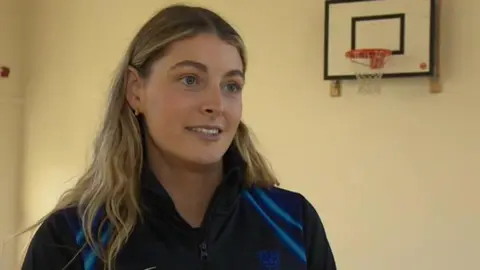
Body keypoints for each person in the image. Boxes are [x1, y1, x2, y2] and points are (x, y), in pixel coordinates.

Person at [21, 4, 336, 270]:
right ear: (136, 90)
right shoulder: (71, 240)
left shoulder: (293, 222)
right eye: (190, 79)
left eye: (231, 86)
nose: (215, 104)